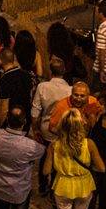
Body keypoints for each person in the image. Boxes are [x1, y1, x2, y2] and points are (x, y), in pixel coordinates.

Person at [43, 108, 106, 209]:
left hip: (62, 186)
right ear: (80, 125)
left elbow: (46, 171)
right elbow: (102, 168)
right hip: (84, 185)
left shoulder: (54, 145)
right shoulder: (89, 144)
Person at [32, 56, 72, 195]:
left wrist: (35, 129)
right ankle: (54, 186)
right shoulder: (70, 90)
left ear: (50, 71)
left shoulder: (42, 87)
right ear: (64, 70)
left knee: (44, 156)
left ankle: (42, 185)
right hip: (61, 130)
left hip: (45, 128)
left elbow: (35, 111)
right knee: (58, 159)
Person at [0, 48, 34, 131]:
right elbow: (31, 96)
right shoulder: (26, 74)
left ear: (0, 61)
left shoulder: (3, 80)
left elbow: (4, 108)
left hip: (13, 121)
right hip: (26, 118)